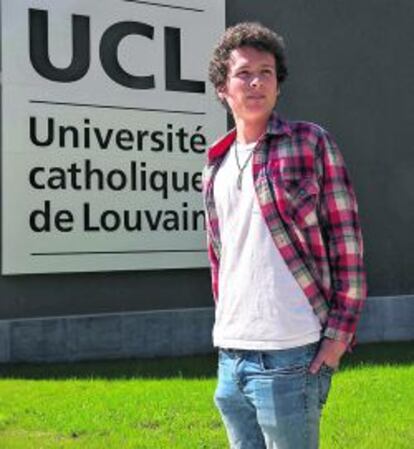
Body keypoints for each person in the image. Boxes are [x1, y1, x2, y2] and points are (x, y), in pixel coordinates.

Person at [203, 22, 367, 449]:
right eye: (243, 73)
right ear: (223, 87)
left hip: (291, 353)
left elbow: (347, 243)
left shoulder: (310, 143)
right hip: (230, 353)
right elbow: (222, 257)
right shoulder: (215, 164)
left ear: (278, 85)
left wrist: (338, 337)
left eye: (267, 72)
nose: (256, 81)